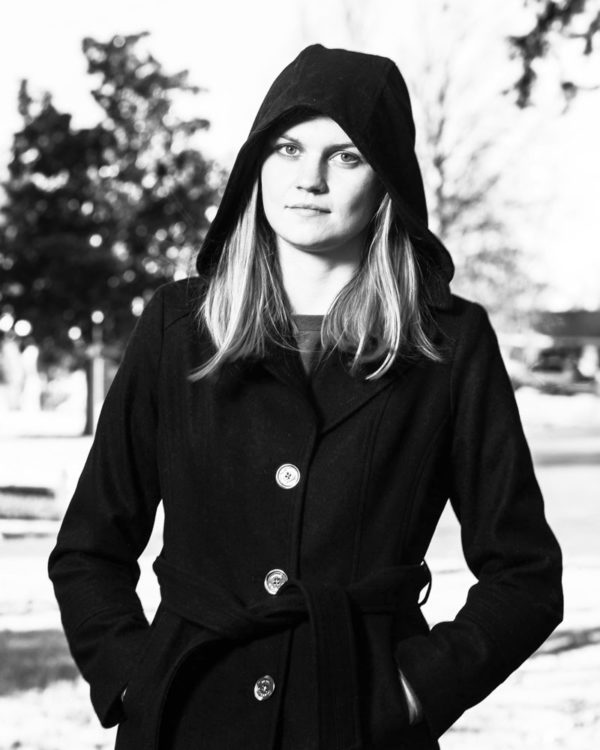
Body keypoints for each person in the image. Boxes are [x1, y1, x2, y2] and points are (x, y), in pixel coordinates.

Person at [48, 44, 563, 750]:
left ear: (387, 179)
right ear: (257, 163)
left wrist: (414, 690)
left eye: (346, 156)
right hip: (187, 715)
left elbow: (525, 575)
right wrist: (135, 679)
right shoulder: (176, 327)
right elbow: (88, 549)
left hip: (358, 720)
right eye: (288, 148)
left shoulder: (449, 344)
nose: (309, 179)